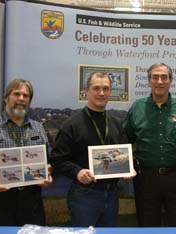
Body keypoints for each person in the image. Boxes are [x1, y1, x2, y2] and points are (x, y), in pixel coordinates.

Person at [123, 63, 176, 227]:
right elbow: (124, 142)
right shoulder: (137, 108)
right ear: (149, 81)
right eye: (155, 77)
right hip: (145, 179)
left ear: (170, 81)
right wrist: (124, 166)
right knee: (148, 226)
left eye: (164, 77)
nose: (159, 81)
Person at [49, 72, 127, 227]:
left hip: (111, 194)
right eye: (96, 88)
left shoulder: (117, 124)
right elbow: (57, 159)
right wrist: (77, 172)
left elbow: (125, 154)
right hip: (84, 195)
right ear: (86, 90)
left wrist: (128, 167)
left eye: (106, 88)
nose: (101, 93)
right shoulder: (71, 124)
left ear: (110, 91)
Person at [0, 79, 52, 226]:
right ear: (6, 98)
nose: (21, 99)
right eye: (16, 94)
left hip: (32, 201)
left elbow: (49, 159)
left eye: (25, 96)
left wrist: (49, 171)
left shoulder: (38, 128)